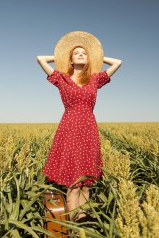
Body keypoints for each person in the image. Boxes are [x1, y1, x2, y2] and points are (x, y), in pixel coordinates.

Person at [36, 31, 122, 222]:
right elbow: (40, 59)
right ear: (71, 60)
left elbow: (117, 63)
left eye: (84, 53)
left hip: (89, 130)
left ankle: (83, 222)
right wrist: (60, 57)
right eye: (77, 53)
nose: (81, 55)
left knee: (86, 183)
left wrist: (96, 56)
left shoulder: (94, 79)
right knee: (74, 183)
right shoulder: (61, 78)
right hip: (70, 129)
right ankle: (72, 223)